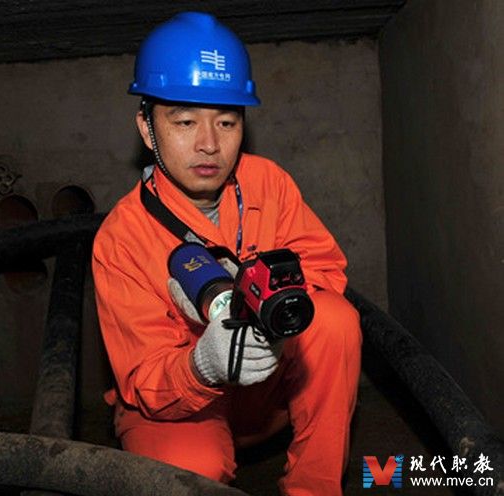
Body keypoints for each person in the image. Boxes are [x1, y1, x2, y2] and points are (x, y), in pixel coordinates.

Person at [92, 11, 362, 495]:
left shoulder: (267, 183)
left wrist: (262, 311)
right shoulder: (122, 238)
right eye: (184, 121)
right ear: (147, 128)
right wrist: (203, 364)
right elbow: (145, 380)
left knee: (336, 321)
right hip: (175, 409)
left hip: (264, 392)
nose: (209, 144)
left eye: (226, 121)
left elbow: (326, 270)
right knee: (189, 468)